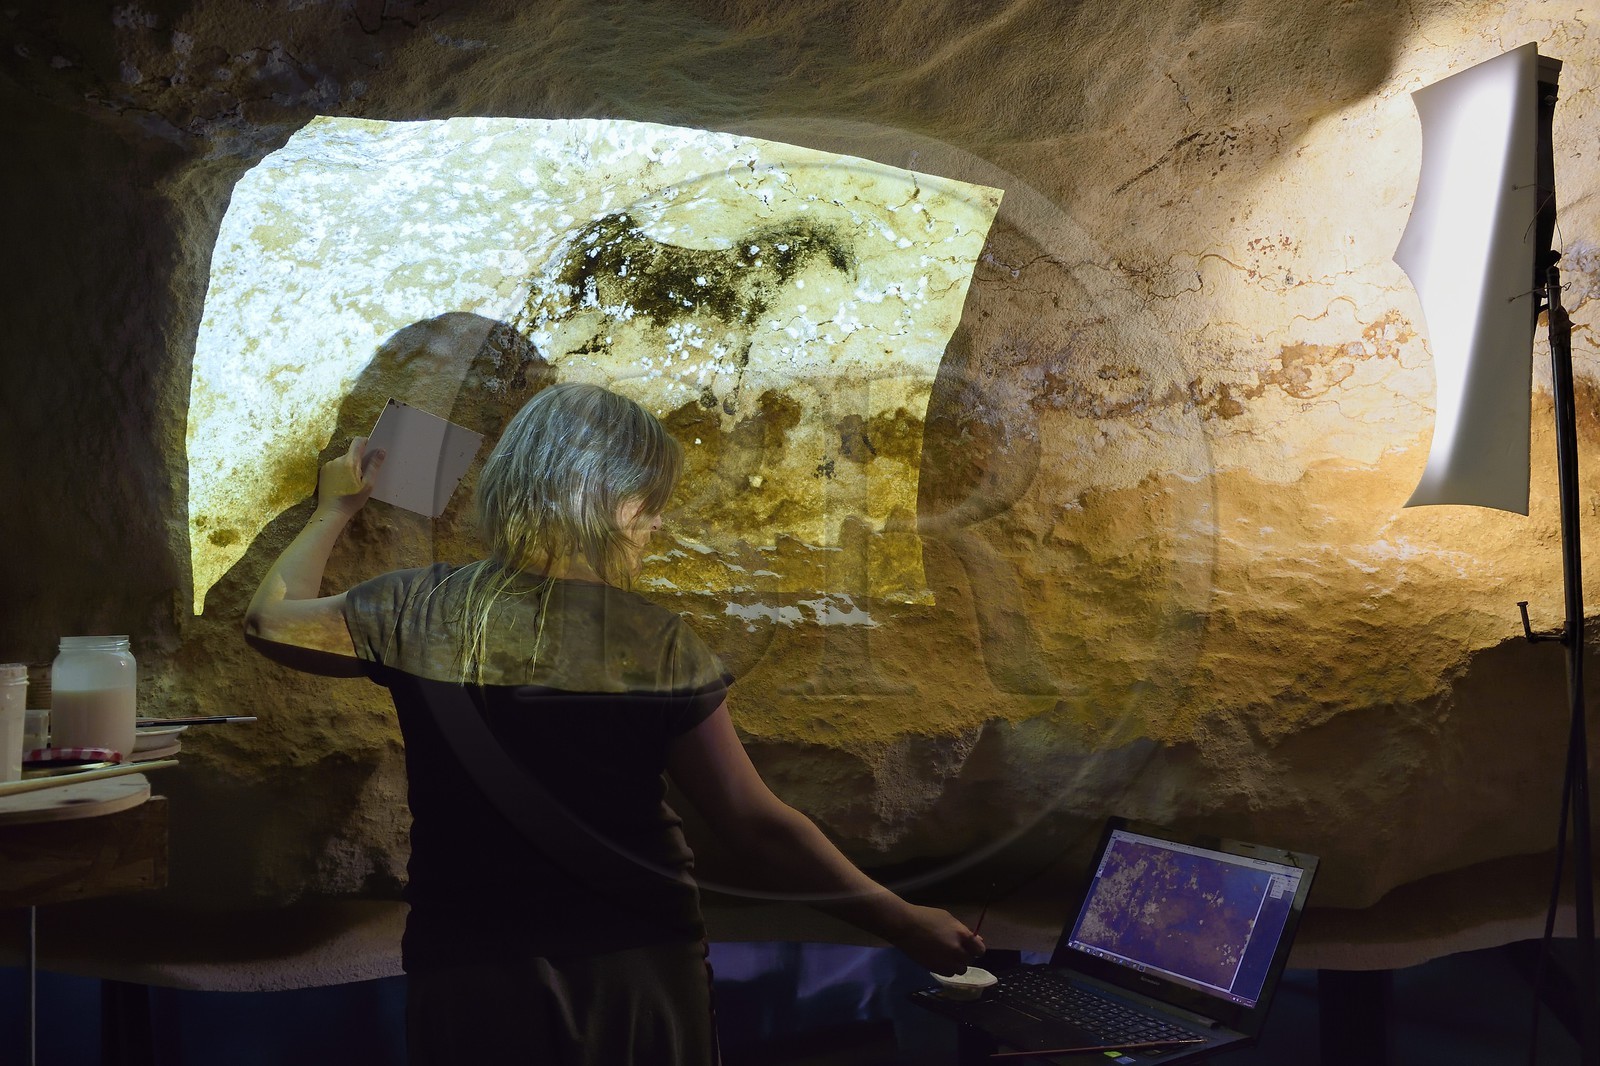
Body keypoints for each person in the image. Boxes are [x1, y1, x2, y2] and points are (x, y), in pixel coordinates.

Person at [244, 381, 985, 1065]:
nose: (657, 523)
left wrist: (334, 509)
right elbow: (754, 824)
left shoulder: (419, 607)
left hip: (468, 965)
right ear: (600, 498)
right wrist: (903, 921)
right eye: (648, 502)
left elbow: (271, 620)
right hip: (634, 966)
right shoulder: (654, 641)